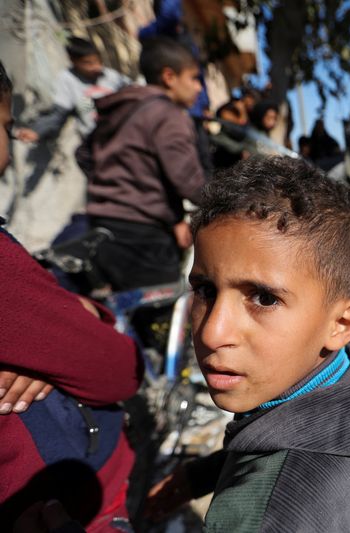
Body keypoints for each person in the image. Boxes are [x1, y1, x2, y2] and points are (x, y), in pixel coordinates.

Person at [146, 156, 350, 532]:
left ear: (341, 324)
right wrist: (203, 475)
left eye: (263, 298)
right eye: (205, 290)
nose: (213, 333)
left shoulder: (263, 519)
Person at [0, 60, 142, 532]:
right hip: (77, 497)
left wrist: (74, 312)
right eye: (5, 126)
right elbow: (119, 371)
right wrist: (87, 320)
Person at [85, 37, 206, 291]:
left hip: (100, 225)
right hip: (143, 238)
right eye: (194, 78)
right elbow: (190, 183)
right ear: (169, 76)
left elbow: (83, 154)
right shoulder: (169, 116)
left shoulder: (122, 106)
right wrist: (234, 200)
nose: (198, 88)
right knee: (159, 322)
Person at [15, 37, 129, 144]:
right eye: (88, 63)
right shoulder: (67, 81)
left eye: (98, 61)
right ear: (74, 61)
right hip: (98, 141)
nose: (95, 66)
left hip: (125, 134)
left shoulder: (111, 76)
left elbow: (134, 94)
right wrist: (37, 131)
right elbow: (57, 114)